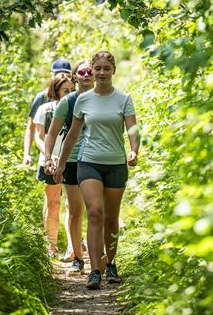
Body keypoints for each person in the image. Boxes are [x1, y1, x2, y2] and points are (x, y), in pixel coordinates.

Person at [53, 51, 140, 290]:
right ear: (91, 71)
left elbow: (132, 129)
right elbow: (71, 135)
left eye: (106, 69)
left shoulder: (123, 98)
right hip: (88, 161)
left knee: (111, 218)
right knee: (95, 213)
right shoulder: (83, 99)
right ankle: (94, 270)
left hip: (115, 164)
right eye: (97, 69)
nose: (101, 73)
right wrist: (60, 164)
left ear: (113, 71)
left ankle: (110, 264)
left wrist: (134, 150)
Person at [44, 59, 95, 275]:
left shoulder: (105, 99)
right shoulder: (68, 101)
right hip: (72, 159)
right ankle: (77, 258)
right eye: (82, 71)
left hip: (96, 158)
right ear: (74, 77)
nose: (86, 74)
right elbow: (52, 133)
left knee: (96, 211)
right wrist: (49, 157)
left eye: (89, 71)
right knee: (75, 210)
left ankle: (99, 258)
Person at [22, 59, 73, 256]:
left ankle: (72, 246)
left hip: (72, 161)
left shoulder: (77, 105)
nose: (68, 91)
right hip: (49, 161)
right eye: (64, 89)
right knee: (53, 203)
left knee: (71, 204)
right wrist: (41, 156)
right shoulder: (42, 104)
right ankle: (51, 245)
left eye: (70, 88)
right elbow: (35, 133)